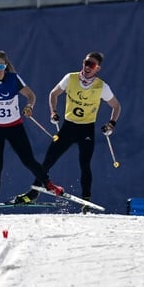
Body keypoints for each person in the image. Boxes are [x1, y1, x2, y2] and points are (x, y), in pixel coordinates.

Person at [0, 50, 63, 214]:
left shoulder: (13, 79)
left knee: (28, 160)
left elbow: (31, 95)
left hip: (14, 127)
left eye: (0, 66)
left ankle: (49, 185)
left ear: (5, 66)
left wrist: (29, 106)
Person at [14, 52, 121, 206]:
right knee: (48, 161)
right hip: (68, 127)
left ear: (97, 68)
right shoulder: (70, 78)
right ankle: (33, 193)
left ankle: (86, 200)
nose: (87, 67)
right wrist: (53, 112)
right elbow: (53, 94)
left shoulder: (101, 87)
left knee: (85, 164)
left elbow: (116, 106)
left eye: (91, 65)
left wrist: (111, 124)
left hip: (86, 129)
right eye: (86, 63)